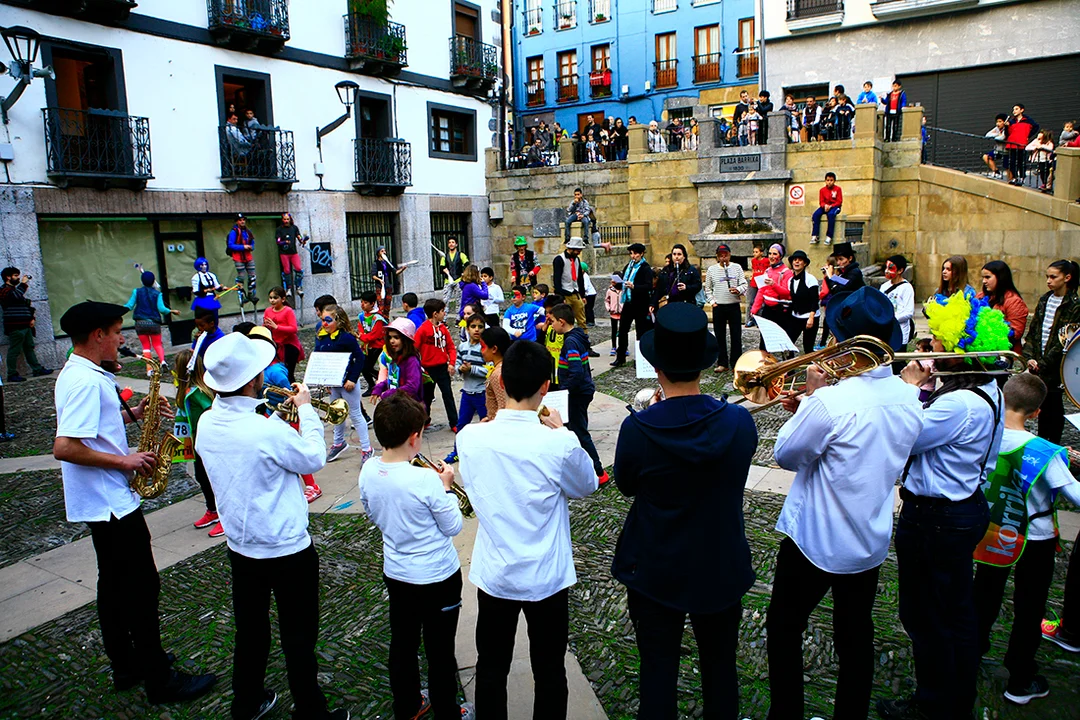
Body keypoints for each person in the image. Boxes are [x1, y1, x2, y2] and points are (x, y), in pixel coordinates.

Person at [767, 287, 922, 720]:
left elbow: (787, 455)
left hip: (815, 540)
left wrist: (812, 401)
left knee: (783, 628)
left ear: (846, 343)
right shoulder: (909, 397)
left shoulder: (831, 402)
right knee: (855, 636)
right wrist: (810, 408)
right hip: (868, 540)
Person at [52, 300, 217, 704]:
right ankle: (160, 679)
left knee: (112, 586)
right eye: (115, 332)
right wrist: (124, 460)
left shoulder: (82, 372)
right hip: (110, 502)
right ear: (97, 336)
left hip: (103, 501)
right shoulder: (86, 381)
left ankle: (127, 664)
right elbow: (65, 447)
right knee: (142, 588)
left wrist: (136, 413)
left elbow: (94, 427)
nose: (120, 339)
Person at [612, 302, 757, 718]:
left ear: (657, 367)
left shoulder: (638, 428)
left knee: (657, 671)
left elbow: (626, 485)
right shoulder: (740, 422)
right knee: (720, 668)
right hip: (720, 562)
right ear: (704, 365)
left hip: (656, 565)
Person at [196, 332, 350, 720]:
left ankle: (246, 702)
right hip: (287, 549)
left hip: (241, 546)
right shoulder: (265, 431)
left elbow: (254, 453)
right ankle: (311, 711)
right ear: (252, 379)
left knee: (250, 631)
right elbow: (313, 457)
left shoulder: (207, 422)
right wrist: (307, 410)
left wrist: (280, 416)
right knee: (299, 636)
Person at [877, 291, 1012, 720]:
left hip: (937, 519)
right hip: (960, 510)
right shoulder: (985, 389)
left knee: (927, 614)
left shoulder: (958, 404)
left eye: (937, 339)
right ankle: (955, 696)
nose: (928, 345)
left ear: (958, 351)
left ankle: (936, 703)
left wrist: (909, 387)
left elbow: (902, 436)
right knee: (953, 611)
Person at [457, 339, 599, 719]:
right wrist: (563, 432)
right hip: (545, 577)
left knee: (491, 666)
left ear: (501, 382)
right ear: (545, 387)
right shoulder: (556, 444)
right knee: (550, 669)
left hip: (496, 574)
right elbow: (587, 484)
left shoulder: (469, 438)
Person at [358, 392, 474, 720]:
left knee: (403, 643)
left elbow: (372, 512)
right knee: (440, 650)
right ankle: (448, 712)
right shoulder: (425, 479)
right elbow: (453, 525)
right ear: (414, 437)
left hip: (397, 573)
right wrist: (447, 487)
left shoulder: (368, 470)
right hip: (438, 577)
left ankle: (408, 706)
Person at [973, 373, 1080, 706]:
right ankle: (1020, 678)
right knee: (1029, 606)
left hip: (993, 532)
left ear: (1003, 399)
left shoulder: (983, 437)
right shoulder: (1043, 451)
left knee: (983, 595)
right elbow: (1076, 496)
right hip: (1036, 539)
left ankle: (971, 651)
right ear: (1036, 413)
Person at [1022, 260, 1080, 443]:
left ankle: (1053, 442)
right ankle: (1042, 439)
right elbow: (1034, 331)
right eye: (1047, 276)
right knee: (1041, 403)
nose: (1048, 281)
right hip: (1038, 360)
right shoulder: (1045, 299)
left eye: (1053, 277)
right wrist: (1029, 357)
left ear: (1067, 278)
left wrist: (1043, 363)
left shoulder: (1074, 304)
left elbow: (1065, 340)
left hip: (1056, 365)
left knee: (1053, 403)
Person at [550, 303, 607, 484]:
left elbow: (576, 371)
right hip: (581, 391)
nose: (551, 325)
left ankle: (598, 472)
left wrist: (564, 390)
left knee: (579, 432)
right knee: (575, 428)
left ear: (561, 321)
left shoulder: (570, 342)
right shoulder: (576, 337)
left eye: (552, 321)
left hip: (576, 393)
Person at [314, 304, 374, 464]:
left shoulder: (346, 338)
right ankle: (338, 443)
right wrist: (325, 380)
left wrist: (352, 379)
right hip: (334, 383)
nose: (324, 324)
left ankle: (367, 448)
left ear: (338, 320)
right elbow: (321, 359)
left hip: (348, 383)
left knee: (355, 414)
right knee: (336, 413)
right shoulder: (322, 337)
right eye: (322, 320)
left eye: (328, 320)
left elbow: (359, 358)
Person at [445, 313, 490, 464]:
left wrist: (472, 369)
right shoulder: (463, 347)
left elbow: (489, 370)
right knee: (462, 425)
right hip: (467, 393)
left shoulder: (485, 349)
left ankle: (487, 453)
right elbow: (458, 363)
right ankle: (457, 452)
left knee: (486, 424)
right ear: (467, 329)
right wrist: (460, 368)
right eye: (473, 326)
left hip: (482, 393)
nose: (476, 330)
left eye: (480, 327)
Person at [124, 270, 180, 375]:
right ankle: (162, 361)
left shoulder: (136, 292)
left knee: (146, 346)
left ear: (142, 281)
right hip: (154, 323)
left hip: (140, 323)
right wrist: (171, 311)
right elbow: (162, 309)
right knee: (157, 344)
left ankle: (149, 369)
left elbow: (129, 306)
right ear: (154, 281)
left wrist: (118, 309)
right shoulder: (157, 294)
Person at [0, 267, 50, 382]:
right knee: (15, 350)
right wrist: (23, 284)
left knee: (29, 347)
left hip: (25, 325)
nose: (18, 278)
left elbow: (25, 305)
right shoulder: (4, 291)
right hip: (15, 326)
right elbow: (15, 296)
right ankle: (12, 374)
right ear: (8, 277)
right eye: (15, 275)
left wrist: (31, 318)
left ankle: (37, 368)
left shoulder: (15, 290)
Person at [415, 299, 458, 431]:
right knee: (427, 397)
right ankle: (425, 420)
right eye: (442, 311)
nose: (444, 313)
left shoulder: (444, 329)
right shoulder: (423, 330)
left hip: (442, 368)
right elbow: (414, 348)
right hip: (427, 369)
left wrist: (451, 363)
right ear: (435, 314)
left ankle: (454, 422)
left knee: (448, 395)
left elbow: (451, 347)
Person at [705, 243, 747, 373]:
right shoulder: (712, 270)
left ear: (730, 255)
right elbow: (708, 289)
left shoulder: (737, 268)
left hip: (733, 305)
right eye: (721, 256)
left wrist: (738, 289)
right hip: (719, 306)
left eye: (726, 255)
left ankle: (736, 362)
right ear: (717, 257)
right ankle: (722, 362)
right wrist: (713, 302)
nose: (723, 258)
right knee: (719, 335)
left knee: (736, 335)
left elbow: (744, 284)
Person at [613, 243, 654, 367]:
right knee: (623, 330)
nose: (633, 256)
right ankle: (620, 357)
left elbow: (648, 286)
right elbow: (624, 282)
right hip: (628, 302)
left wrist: (634, 286)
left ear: (641, 254)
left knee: (640, 331)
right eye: (631, 253)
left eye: (635, 253)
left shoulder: (645, 268)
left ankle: (640, 359)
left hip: (640, 303)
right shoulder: (629, 266)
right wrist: (618, 283)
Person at [978, 260, 1028, 356]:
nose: (984, 281)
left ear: (1000, 277)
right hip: (979, 351)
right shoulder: (980, 296)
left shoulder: (1014, 301)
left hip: (1004, 354)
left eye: (987, 277)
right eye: (983, 278)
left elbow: (1015, 333)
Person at [372, 318, 425, 405]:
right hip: (396, 404)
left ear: (406, 340)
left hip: (410, 407)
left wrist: (388, 394)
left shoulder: (411, 360)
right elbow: (394, 379)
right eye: (390, 337)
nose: (392, 341)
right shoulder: (395, 358)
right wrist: (380, 387)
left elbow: (412, 387)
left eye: (396, 337)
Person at [749, 243, 793, 338]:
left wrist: (774, 285)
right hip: (767, 310)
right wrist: (754, 309)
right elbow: (761, 291)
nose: (771, 256)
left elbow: (787, 294)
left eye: (775, 254)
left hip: (781, 311)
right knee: (764, 339)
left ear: (780, 256)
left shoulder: (787, 273)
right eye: (770, 254)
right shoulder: (768, 271)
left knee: (780, 339)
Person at [263, 287, 304, 383]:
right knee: (278, 370)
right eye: (270, 298)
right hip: (275, 345)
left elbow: (294, 329)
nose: (272, 300)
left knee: (289, 373)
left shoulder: (288, 311)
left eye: (275, 298)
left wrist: (277, 327)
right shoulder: (268, 311)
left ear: (283, 299)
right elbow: (266, 326)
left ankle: (292, 389)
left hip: (289, 345)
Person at [552, 236, 591, 334]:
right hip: (565, 293)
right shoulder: (559, 259)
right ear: (572, 249)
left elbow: (580, 278)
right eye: (578, 250)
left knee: (582, 319)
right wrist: (560, 297)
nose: (579, 252)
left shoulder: (576, 259)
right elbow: (557, 279)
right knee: (565, 319)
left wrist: (582, 295)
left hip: (575, 293)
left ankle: (584, 338)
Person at [786, 250, 820, 354]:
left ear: (804, 263)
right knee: (788, 343)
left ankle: (810, 364)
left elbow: (815, 300)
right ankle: (790, 364)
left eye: (800, 260)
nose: (796, 262)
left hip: (809, 316)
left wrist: (811, 318)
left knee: (808, 347)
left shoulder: (810, 279)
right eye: (795, 260)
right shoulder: (790, 280)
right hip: (796, 316)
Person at [650, 243, 701, 311]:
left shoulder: (691, 270)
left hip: (685, 304)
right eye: (674, 254)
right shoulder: (666, 270)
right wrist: (652, 304)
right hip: (669, 304)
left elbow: (698, 285)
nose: (676, 257)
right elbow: (659, 288)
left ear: (684, 256)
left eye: (679, 254)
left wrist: (686, 287)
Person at [355, 290, 387, 395]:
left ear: (372, 303)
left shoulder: (377, 318)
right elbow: (360, 328)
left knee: (367, 367)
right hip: (366, 346)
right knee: (364, 367)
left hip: (377, 346)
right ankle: (372, 385)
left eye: (365, 302)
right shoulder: (361, 316)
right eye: (361, 302)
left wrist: (362, 337)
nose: (362, 304)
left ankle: (383, 381)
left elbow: (375, 335)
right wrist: (362, 336)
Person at [882, 255, 916, 348]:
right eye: (886, 267)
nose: (886, 271)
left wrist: (892, 319)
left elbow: (909, 312)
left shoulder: (906, 288)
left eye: (891, 268)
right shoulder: (884, 286)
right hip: (885, 331)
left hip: (900, 332)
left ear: (900, 270)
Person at [226, 213, 257, 304]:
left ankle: (251, 294)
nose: (242, 222)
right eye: (240, 220)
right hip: (238, 257)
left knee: (252, 276)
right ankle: (242, 296)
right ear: (237, 221)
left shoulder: (248, 231)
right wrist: (243, 247)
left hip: (248, 256)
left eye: (243, 220)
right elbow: (230, 245)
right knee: (241, 277)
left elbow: (252, 242)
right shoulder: (234, 232)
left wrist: (251, 247)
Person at [480, 326, 510, 417]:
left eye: (483, 347)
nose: (481, 351)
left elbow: (503, 405)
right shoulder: (505, 367)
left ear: (494, 349)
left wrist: (493, 422)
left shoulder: (497, 374)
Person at [275, 212, 307, 297]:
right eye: (284, 219)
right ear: (282, 220)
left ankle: (298, 287)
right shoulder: (279, 229)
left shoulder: (294, 228)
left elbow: (299, 236)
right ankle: (288, 289)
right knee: (286, 270)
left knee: (298, 268)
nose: (286, 221)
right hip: (284, 253)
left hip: (293, 252)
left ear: (290, 220)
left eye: (287, 219)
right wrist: (284, 242)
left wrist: (302, 241)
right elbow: (278, 241)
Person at [1005, 103, 1037, 186]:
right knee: (1012, 162)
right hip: (1012, 143)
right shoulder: (1012, 121)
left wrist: (1028, 136)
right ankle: (1014, 177)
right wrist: (1006, 126)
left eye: (1016, 109)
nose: (1014, 111)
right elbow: (1007, 134)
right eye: (1013, 109)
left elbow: (1036, 127)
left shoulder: (1028, 120)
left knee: (1021, 162)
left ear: (1022, 110)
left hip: (1021, 144)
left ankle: (1022, 177)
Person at [809, 172, 843, 245]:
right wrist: (824, 205)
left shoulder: (838, 189)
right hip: (825, 206)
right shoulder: (822, 190)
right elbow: (821, 201)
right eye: (828, 180)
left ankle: (829, 236)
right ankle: (815, 235)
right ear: (825, 181)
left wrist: (831, 206)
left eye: (831, 180)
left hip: (835, 207)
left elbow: (839, 201)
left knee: (831, 215)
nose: (829, 182)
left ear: (834, 181)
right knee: (816, 215)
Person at [372, 246, 406, 317]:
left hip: (388, 286)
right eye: (382, 251)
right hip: (380, 287)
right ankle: (381, 319)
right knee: (381, 305)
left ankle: (386, 318)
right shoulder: (376, 263)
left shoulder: (388, 263)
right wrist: (379, 280)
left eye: (384, 251)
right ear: (378, 253)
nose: (384, 252)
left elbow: (395, 272)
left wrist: (402, 269)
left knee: (387, 306)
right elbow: (373, 276)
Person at [440, 236, 470, 308]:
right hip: (448, 281)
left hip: (458, 280)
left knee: (459, 301)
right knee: (445, 301)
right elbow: (441, 268)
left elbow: (468, 266)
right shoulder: (444, 256)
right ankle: (444, 315)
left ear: (456, 244)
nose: (451, 244)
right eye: (449, 242)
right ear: (448, 245)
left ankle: (459, 314)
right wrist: (444, 270)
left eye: (453, 242)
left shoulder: (461, 255)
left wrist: (464, 275)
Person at [746, 245, 770, 327]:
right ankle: (750, 319)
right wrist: (752, 276)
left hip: (762, 282)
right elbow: (753, 269)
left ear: (761, 253)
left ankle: (759, 320)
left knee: (761, 303)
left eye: (756, 252)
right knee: (751, 301)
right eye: (754, 252)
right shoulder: (753, 260)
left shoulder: (766, 260)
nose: (754, 254)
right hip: (754, 281)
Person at [604, 275, 623, 357]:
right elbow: (606, 300)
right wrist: (609, 308)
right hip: (613, 314)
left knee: (623, 331)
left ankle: (623, 347)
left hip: (622, 314)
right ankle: (614, 347)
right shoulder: (610, 290)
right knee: (614, 331)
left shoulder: (624, 290)